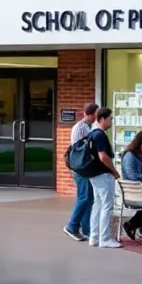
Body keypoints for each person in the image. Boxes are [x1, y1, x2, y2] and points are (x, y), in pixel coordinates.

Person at [87, 107, 122, 249]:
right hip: (103, 174)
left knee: (98, 204)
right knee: (107, 206)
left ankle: (94, 237)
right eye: (110, 119)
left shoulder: (92, 134)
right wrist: (113, 171)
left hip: (94, 174)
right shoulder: (100, 135)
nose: (111, 121)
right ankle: (105, 239)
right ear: (101, 119)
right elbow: (103, 156)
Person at [64, 102, 99, 241]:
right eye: (95, 115)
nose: (96, 118)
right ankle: (72, 226)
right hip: (81, 168)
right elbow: (79, 149)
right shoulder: (79, 128)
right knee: (84, 198)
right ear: (90, 114)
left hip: (86, 168)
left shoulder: (89, 127)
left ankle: (86, 229)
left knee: (88, 198)